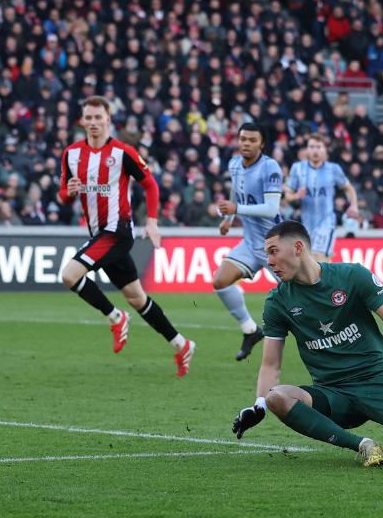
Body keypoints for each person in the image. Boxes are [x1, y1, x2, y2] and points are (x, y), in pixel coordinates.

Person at [230, 220, 383, 466]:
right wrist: (259, 406)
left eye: (273, 251)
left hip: (378, 381)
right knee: (276, 397)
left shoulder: (353, 276)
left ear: (298, 247)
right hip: (333, 394)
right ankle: (364, 445)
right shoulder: (277, 301)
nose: (268, 261)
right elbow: (271, 365)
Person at [57, 97, 195, 377]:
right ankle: (182, 344)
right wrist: (68, 193)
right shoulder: (71, 154)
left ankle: (115, 317)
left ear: (108, 119)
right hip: (99, 234)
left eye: (99, 117)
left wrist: (152, 222)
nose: (94, 123)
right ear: (82, 121)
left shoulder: (123, 153)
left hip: (118, 231)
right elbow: (62, 194)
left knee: (69, 275)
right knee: (136, 297)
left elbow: (151, 186)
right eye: (89, 118)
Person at [210, 123, 283, 361]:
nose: (246, 144)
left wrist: (236, 209)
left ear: (262, 144)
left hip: (276, 244)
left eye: (252, 140)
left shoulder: (270, 167)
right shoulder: (234, 164)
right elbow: (235, 194)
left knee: (301, 296)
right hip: (250, 243)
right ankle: (250, 330)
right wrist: (229, 218)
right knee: (220, 280)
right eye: (243, 139)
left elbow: (272, 208)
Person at [285, 134, 358, 261]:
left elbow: (348, 188)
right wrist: (296, 195)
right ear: (307, 150)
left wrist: (354, 205)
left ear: (325, 150)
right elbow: (287, 196)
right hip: (305, 224)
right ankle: (329, 279)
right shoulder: (298, 169)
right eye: (312, 147)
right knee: (310, 263)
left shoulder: (333, 169)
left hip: (326, 222)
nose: (315, 150)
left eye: (318, 147)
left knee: (318, 258)